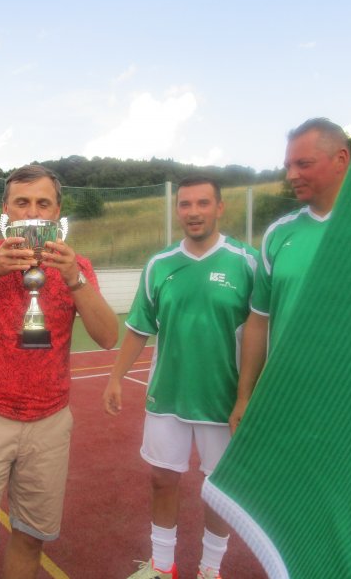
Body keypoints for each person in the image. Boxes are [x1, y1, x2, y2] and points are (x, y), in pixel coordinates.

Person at [0, 164, 119, 579]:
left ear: (57, 213)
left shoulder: (76, 266)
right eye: (22, 202)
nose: (32, 212)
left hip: (49, 422)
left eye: (43, 204)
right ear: (5, 210)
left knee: (30, 540)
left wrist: (75, 279)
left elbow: (108, 336)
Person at [103, 177, 258, 579]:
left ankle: (210, 569)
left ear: (220, 208)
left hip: (224, 400)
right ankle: (162, 566)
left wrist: (251, 394)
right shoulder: (160, 264)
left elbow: (262, 330)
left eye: (203, 203)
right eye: (185, 204)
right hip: (167, 395)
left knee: (218, 491)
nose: (193, 212)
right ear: (178, 210)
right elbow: (139, 327)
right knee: (161, 479)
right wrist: (116, 377)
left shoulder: (247, 261)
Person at [229, 118, 351, 434]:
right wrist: (244, 397)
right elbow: (259, 321)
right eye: (288, 165)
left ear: (341, 159)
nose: (291, 175)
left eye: (303, 164)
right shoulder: (278, 234)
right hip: (289, 398)